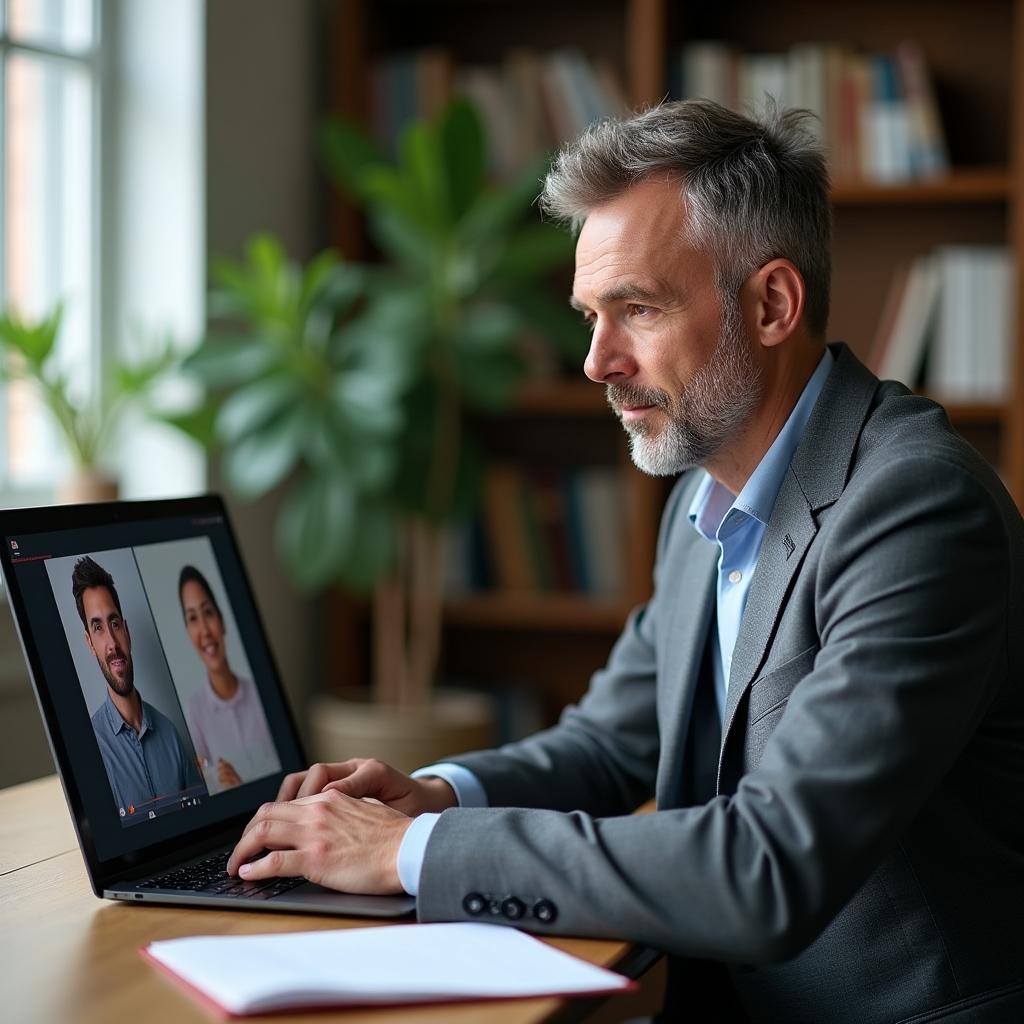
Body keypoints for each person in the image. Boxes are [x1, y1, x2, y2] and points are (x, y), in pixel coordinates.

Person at [226, 101, 1023, 1023]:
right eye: (589, 317)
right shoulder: (707, 492)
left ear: (771, 304)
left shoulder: (916, 508)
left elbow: (768, 866)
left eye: (637, 309)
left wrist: (410, 853)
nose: (598, 361)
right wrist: (435, 793)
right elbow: (612, 740)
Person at [73, 555, 203, 819]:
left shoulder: (170, 733)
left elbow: (200, 823)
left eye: (115, 623)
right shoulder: (89, 752)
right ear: (89, 643)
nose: (112, 642)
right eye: (98, 628)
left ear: (127, 631)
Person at [178, 565, 280, 793]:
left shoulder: (260, 693)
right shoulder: (194, 709)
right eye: (193, 618)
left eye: (208, 612)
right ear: (188, 633)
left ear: (222, 622)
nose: (204, 630)